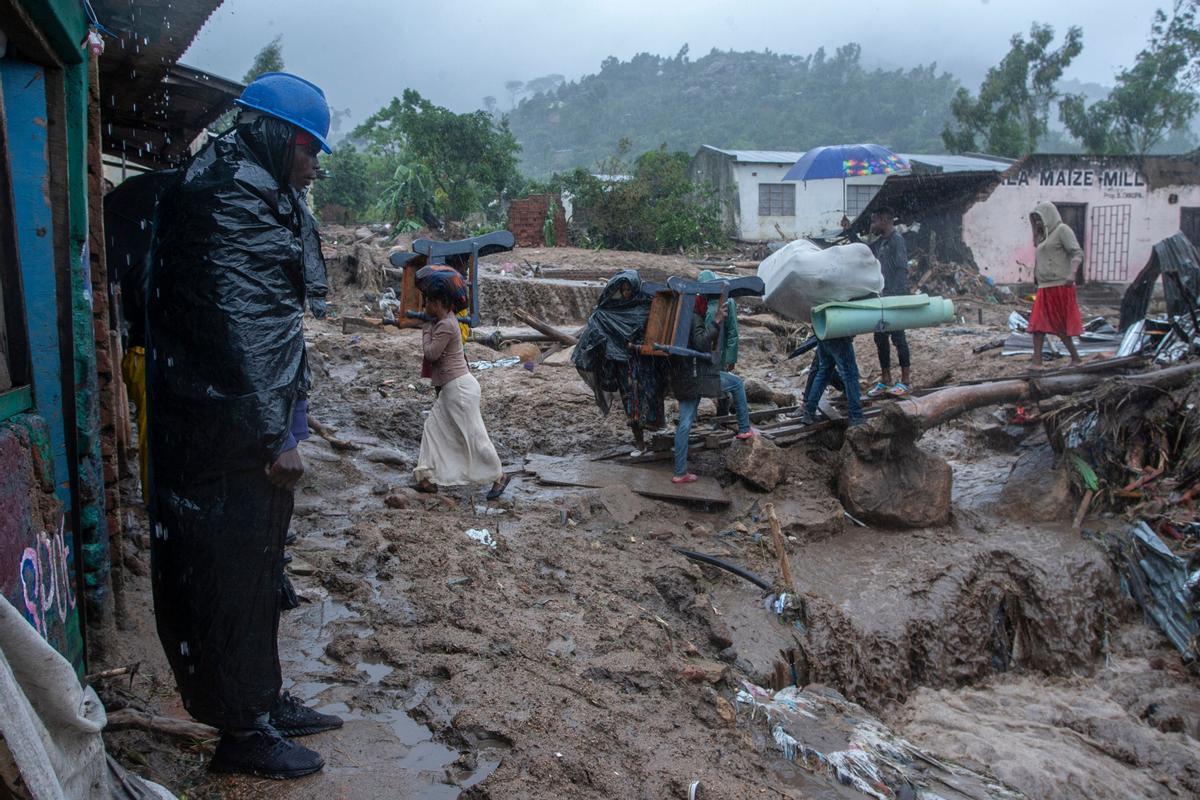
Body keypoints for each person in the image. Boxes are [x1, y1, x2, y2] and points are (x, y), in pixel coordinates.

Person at [146, 72, 342, 780]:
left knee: (258, 570)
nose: (313, 165)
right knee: (228, 575)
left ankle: (263, 700)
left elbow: (268, 323)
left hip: (234, 421)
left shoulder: (249, 186)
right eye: (308, 149)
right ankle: (242, 734)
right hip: (228, 432)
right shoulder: (230, 195)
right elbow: (244, 329)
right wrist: (276, 436)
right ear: (275, 135)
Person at [104, 169, 178, 492]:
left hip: (147, 355)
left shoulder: (148, 252)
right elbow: (152, 307)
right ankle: (159, 508)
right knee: (159, 444)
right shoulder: (150, 260)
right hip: (148, 356)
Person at [413, 291, 509, 499]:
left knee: (474, 436)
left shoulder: (446, 325)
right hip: (452, 388)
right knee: (432, 427)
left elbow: (431, 354)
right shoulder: (444, 321)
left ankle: (499, 476)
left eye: (428, 301)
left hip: (459, 389)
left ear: (439, 302)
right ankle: (425, 477)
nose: (425, 305)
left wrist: (426, 330)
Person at [572, 271, 668, 455]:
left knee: (651, 397)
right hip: (625, 368)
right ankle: (639, 442)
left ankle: (656, 431)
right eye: (622, 290)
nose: (626, 293)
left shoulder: (646, 307)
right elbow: (596, 334)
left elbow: (656, 332)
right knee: (631, 403)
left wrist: (639, 345)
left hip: (646, 365)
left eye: (629, 289)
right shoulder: (607, 312)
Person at [671, 296, 756, 484]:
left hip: (683, 376)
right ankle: (744, 428)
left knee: (684, 423)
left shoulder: (680, 318)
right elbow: (701, 343)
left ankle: (679, 472)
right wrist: (717, 322)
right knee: (737, 383)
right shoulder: (694, 318)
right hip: (698, 376)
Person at [698, 270, 758, 440]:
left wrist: (731, 358)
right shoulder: (700, 304)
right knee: (720, 385)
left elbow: (732, 332)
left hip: (721, 351)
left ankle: (722, 421)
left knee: (725, 387)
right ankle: (722, 422)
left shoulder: (727, 302)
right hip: (706, 353)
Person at [1028, 201, 1084, 368]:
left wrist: (1072, 273)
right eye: (1035, 219)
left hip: (1060, 286)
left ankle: (1075, 358)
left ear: (1049, 216)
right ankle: (1037, 361)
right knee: (1037, 324)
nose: (1038, 222)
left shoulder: (1062, 230)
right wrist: (1036, 232)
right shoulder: (1043, 236)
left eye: (1040, 219)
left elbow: (1077, 252)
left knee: (1059, 327)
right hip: (1044, 287)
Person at [866, 206, 912, 398]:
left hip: (893, 298)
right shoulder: (880, 243)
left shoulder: (897, 241)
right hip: (880, 298)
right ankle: (886, 379)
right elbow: (864, 252)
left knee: (898, 338)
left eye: (875, 221)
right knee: (880, 338)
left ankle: (906, 381)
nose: (872, 225)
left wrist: (897, 297)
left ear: (885, 220)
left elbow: (902, 269)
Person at [794, 336, 865, 427]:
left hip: (823, 336)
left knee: (823, 373)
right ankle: (856, 416)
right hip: (839, 335)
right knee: (850, 375)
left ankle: (809, 413)